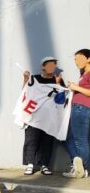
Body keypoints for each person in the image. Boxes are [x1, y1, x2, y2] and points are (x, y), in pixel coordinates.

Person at [21, 56, 65, 175]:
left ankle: (44, 165)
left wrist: (58, 84)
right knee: (31, 139)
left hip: (50, 117)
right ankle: (30, 164)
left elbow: (61, 98)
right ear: (43, 66)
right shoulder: (35, 78)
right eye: (50, 64)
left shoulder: (58, 80)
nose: (52, 67)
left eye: (54, 65)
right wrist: (25, 79)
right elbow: (24, 93)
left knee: (47, 140)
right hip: (34, 115)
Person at [63, 48, 90, 178]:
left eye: (79, 58)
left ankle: (83, 169)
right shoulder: (84, 74)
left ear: (88, 59)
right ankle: (79, 167)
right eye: (75, 59)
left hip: (82, 108)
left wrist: (75, 87)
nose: (76, 61)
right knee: (71, 138)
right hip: (79, 107)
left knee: (80, 140)